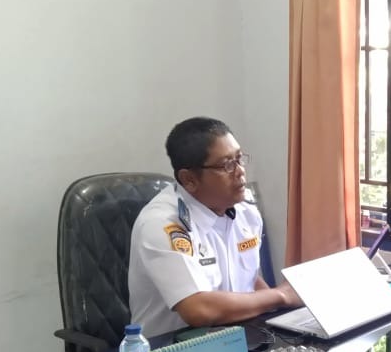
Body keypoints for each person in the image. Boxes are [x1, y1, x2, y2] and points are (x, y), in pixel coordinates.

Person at [128, 117, 300, 337]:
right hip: (174, 350)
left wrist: (279, 321)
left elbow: (250, 280)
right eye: (227, 165)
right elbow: (198, 309)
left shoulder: (245, 211)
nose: (240, 171)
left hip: (237, 339)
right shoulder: (163, 224)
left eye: (239, 159)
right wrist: (281, 296)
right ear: (189, 179)